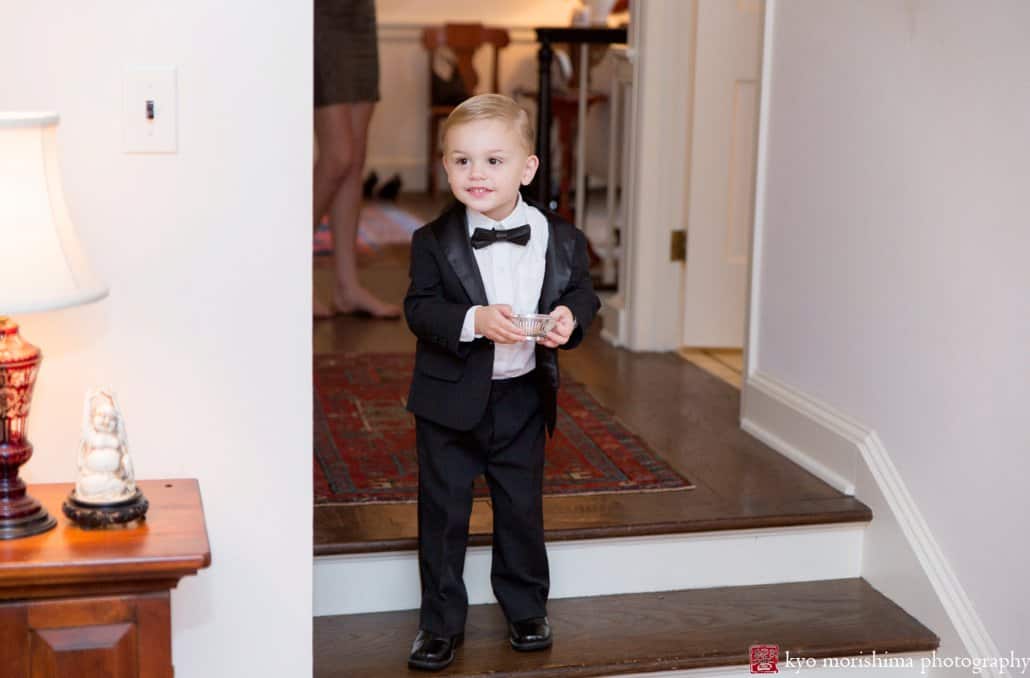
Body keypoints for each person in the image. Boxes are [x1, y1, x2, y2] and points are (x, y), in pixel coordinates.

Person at [403, 94, 600, 671]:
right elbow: (419, 309)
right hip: (448, 402)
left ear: (527, 168)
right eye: (461, 161)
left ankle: (526, 609)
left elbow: (580, 293)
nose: (477, 174)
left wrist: (570, 319)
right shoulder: (431, 241)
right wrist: (472, 320)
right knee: (443, 514)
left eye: (494, 161)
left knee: (520, 509)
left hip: (521, 398)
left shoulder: (558, 237)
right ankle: (439, 624)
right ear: (445, 167)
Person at [313, 0, 400, 319]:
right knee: (338, 156)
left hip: (359, 12)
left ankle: (346, 288)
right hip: (318, 13)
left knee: (354, 160)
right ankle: (286, 276)